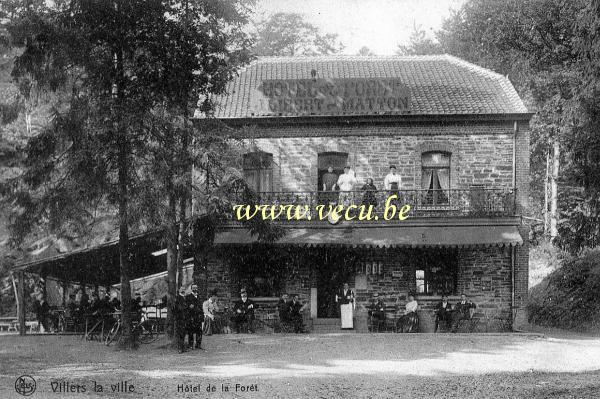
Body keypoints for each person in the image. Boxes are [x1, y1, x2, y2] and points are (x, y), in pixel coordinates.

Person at [185, 284, 204, 349]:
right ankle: (190, 345)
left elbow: (201, 307)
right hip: (192, 316)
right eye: (193, 288)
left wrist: (202, 316)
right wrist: (189, 306)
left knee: (199, 331)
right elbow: (186, 306)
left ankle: (198, 345)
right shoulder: (188, 297)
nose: (195, 289)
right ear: (191, 289)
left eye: (196, 288)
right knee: (191, 331)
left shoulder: (199, 296)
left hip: (199, 316)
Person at [174, 287, 189, 353]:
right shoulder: (177, 298)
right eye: (182, 289)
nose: (183, 290)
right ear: (179, 290)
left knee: (184, 333)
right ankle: (180, 348)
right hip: (180, 318)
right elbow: (176, 308)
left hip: (185, 318)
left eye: (184, 289)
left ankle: (183, 347)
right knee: (180, 333)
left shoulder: (185, 298)